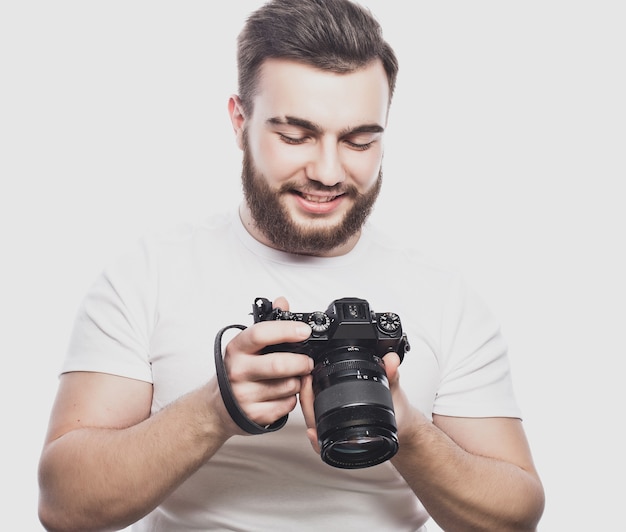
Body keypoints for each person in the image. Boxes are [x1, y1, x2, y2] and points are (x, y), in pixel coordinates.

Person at [38, 0, 545, 530]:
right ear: (240, 122)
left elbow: (515, 515)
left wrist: (410, 430)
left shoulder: (446, 296)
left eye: (359, 140)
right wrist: (217, 409)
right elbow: (65, 507)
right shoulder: (147, 274)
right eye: (295, 136)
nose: (327, 171)